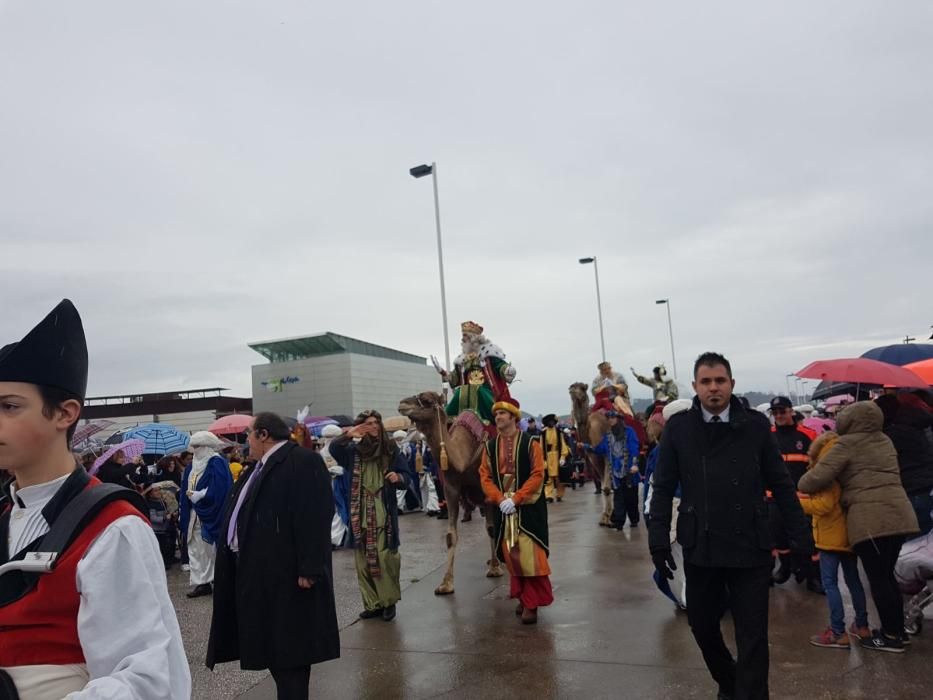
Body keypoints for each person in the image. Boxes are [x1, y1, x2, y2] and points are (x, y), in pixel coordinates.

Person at [0, 299, 190, 698]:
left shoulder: (113, 527)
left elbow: (146, 679)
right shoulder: (6, 514)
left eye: (9, 407)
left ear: (64, 413)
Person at [649, 352, 812, 700]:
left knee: (752, 635)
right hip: (701, 544)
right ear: (695, 387)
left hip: (749, 545)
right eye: (706, 382)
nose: (713, 388)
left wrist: (801, 534)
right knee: (702, 626)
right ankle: (730, 679)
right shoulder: (679, 429)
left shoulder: (755, 425)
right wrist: (658, 539)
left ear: (731, 384)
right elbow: (661, 487)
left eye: (720, 381)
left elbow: (781, 483)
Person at [207, 412, 339, 700]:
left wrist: (310, 566)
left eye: (249, 435)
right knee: (275, 654)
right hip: (259, 575)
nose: (246, 442)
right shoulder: (256, 467)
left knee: (291, 657)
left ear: (263, 435)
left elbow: (315, 514)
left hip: (288, 576)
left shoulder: (302, 461)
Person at [798, 401, 920, 653]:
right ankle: (896, 631)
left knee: (878, 580)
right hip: (900, 514)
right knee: (887, 577)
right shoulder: (884, 440)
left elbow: (811, 481)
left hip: (870, 520)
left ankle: (891, 636)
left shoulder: (847, 443)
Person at [329, 410, 410, 622]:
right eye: (368, 424)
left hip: (383, 511)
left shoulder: (390, 449)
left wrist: (398, 477)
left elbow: (407, 476)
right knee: (363, 561)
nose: (373, 427)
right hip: (359, 512)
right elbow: (333, 448)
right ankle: (373, 603)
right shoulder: (352, 451)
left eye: (376, 423)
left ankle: (388, 602)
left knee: (384, 558)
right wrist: (349, 434)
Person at [479, 398, 552, 625]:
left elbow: (538, 474)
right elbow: (485, 475)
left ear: (513, 417)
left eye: (502, 413)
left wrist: (517, 498)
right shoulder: (490, 446)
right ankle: (523, 597)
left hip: (528, 508)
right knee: (511, 554)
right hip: (503, 508)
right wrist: (500, 499)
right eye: (496, 414)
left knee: (530, 556)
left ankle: (532, 604)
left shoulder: (531, 443)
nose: (498, 417)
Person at [798, 431, 871, 649]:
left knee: (830, 583)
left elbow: (824, 506)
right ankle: (862, 625)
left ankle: (837, 632)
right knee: (853, 581)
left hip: (830, 537)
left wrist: (799, 503)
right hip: (848, 534)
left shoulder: (827, 478)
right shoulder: (847, 472)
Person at [768, 396, 821, 591]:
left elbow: (819, 464)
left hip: (802, 497)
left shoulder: (808, 435)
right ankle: (786, 567)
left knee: (808, 540)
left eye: (783, 411)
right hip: (773, 497)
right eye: (775, 412)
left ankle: (813, 576)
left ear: (791, 411)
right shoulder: (767, 436)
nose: (779, 415)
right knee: (779, 536)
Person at [180, 431, 233, 598]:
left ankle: (218, 581)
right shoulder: (191, 466)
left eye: (197, 446)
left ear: (207, 447)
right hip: (194, 515)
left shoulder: (217, 463)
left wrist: (203, 495)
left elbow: (222, 489)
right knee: (195, 550)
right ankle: (202, 583)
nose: (194, 450)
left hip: (211, 514)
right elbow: (185, 489)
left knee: (211, 550)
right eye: (193, 446)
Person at [875, 392, 933, 537]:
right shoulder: (919, 426)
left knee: (910, 545)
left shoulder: (891, 434)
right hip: (925, 488)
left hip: (905, 490)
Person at [440, 321, 517, 424]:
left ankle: (482, 417)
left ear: (474, 338)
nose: (463, 339)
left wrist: (506, 369)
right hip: (467, 390)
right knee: (460, 392)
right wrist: (444, 374)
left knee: (476, 391)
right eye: (463, 337)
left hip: (487, 391)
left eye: (466, 336)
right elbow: (454, 379)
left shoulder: (488, 353)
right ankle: (445, 420)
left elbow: (500, 365)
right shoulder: (462, 360)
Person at [541, 414, 570, 503]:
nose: (552, 423)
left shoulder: (558, 432)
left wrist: (563, 457)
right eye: (550, 422)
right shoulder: (543, 433)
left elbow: (563, 444)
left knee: (559, 477)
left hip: (557, 455)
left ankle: (559, 495)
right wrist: (543, 460)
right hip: (548, 457)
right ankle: (548, 495)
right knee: (548, 477)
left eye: (553, 422)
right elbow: (540, 447)